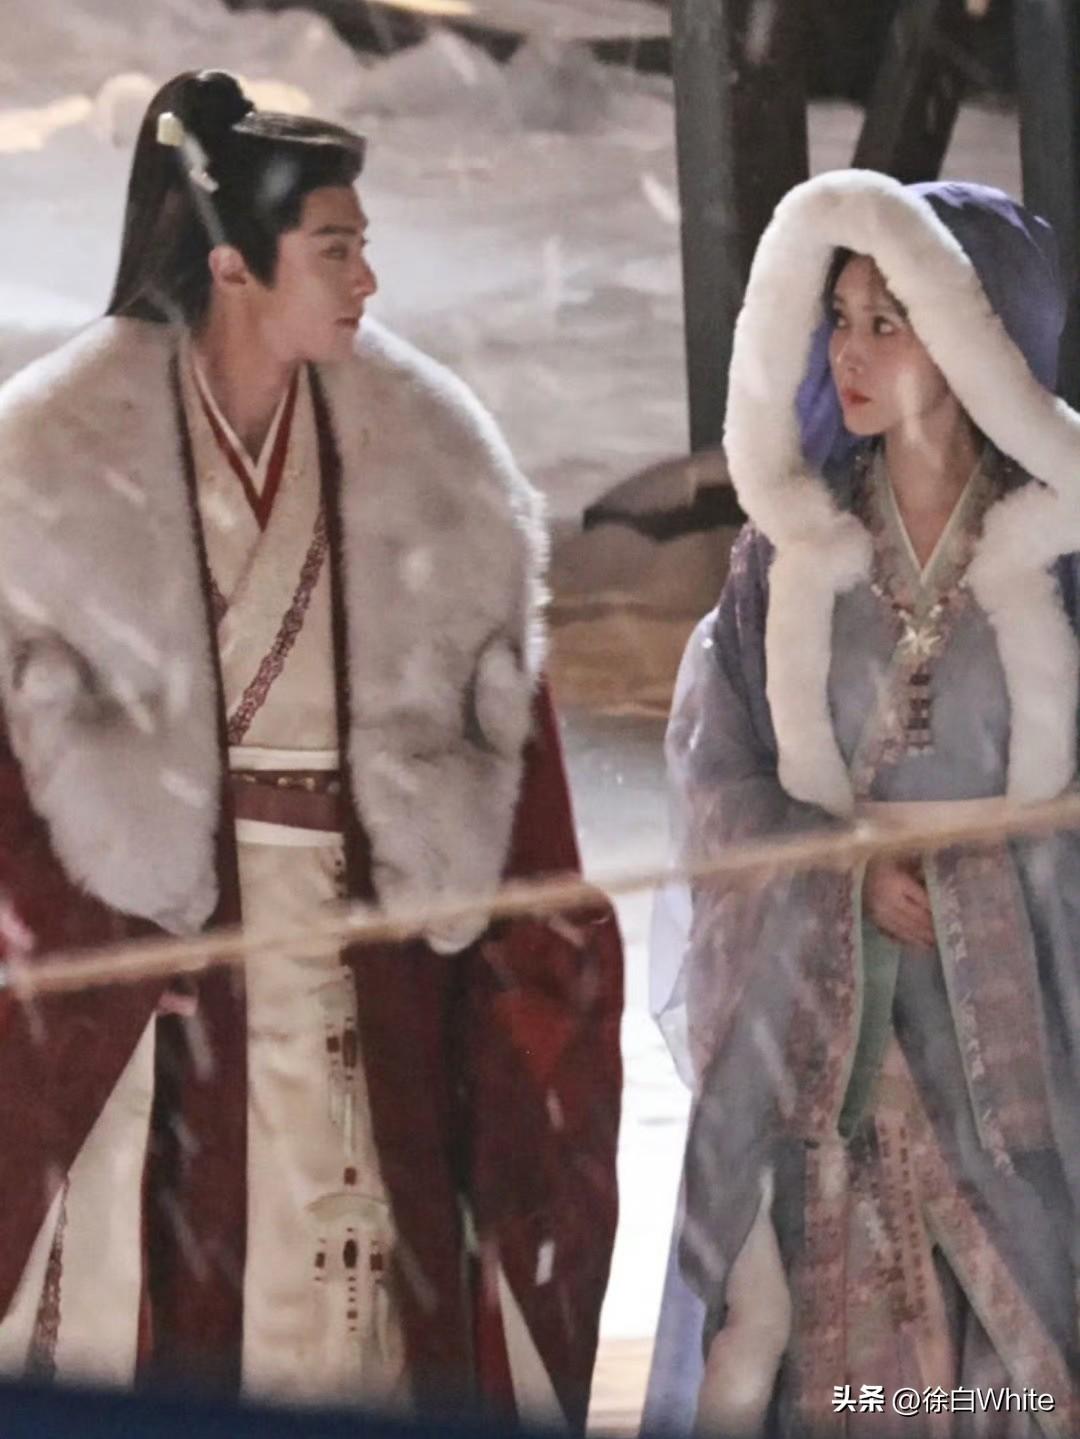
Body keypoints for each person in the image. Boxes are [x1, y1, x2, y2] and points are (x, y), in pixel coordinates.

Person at [0, 70, 623, 1426]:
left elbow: (514, 780)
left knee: (370, 1307)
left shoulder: (431, 464)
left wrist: (509, 948)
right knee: (187, 1304)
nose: (368, 281)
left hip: (366, 973)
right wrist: (92, 938)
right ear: (234, 261)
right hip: (171, 996)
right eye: (335, 247)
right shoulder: (53, 465)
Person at [648, 171, 1080, 1436]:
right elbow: (717, 775)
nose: (849, 350)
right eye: (839, 317)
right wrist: (836, 868)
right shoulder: (791, 555)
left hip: (1021, 1062)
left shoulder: (1061, 560)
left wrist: (991, 880)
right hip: (828, 1048)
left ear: (974, 338)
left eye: (888, 320)